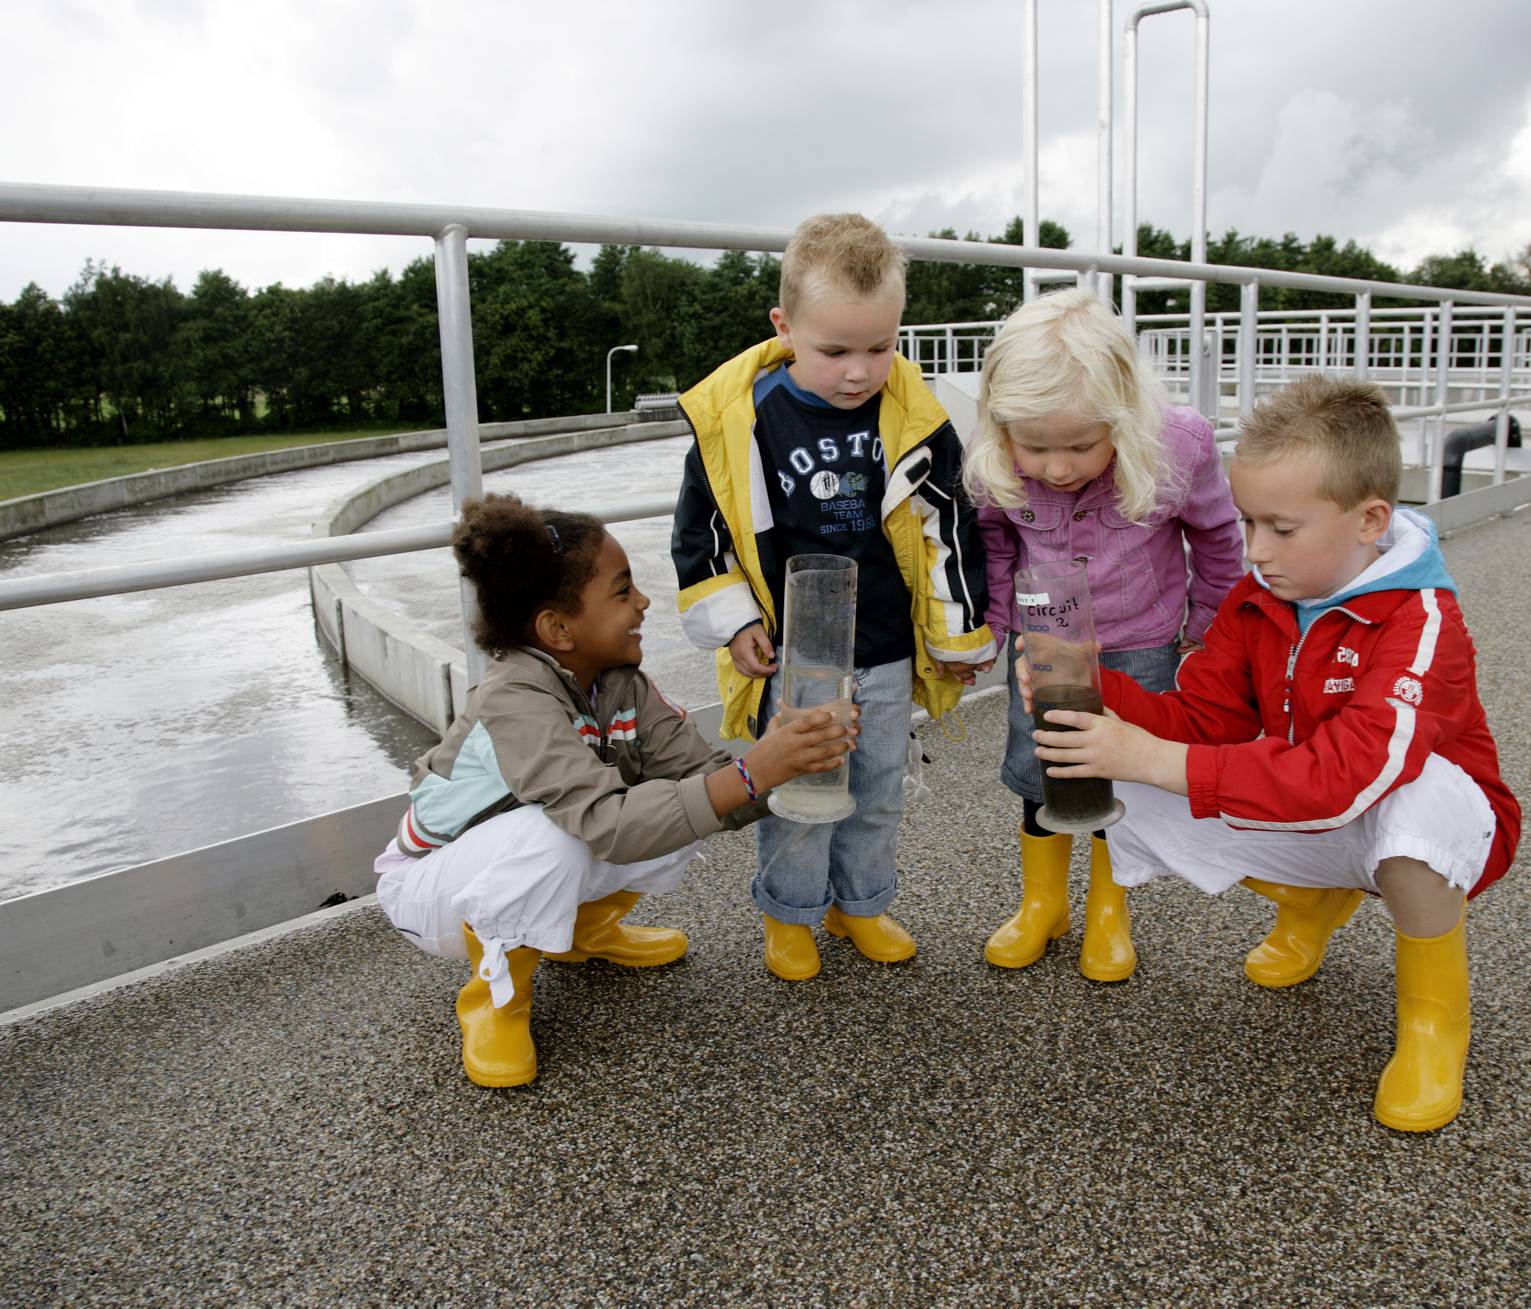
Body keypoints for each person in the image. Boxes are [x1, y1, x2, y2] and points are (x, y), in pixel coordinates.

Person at [1020, 374, 1520, 1131]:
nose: (1255, 550)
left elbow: (1353, 773)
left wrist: (1153, 757)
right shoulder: (1258, 599)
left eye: (1281, 529)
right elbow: (1199, 719)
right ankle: (1314, 901)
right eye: (1248, 522)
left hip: (1434, 829)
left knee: (1418, 803)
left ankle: (1433, 1021)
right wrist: (1092, 689)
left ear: (1369, 520)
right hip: (1323, 812)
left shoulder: (1422, 619)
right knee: (1124, 773)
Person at [372, 493, 855, 1087]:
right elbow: (604, 824)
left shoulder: (622, 685)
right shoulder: (513, 700)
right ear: (558, 628)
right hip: (431, 888)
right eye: (623, 591)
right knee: (563, 833)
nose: (644, 602)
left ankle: (582, 935)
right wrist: (752, 772)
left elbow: (709, 784)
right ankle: (494, 1001)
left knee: (676, 803)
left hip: (512, 860)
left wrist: (785, 758)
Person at [672, 212, 997, 981]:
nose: (858, 370)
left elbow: (951, 527)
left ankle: (862, 901)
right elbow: (702, 533)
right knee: (796, 790)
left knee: (879, 784)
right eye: (835, 350)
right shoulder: (741, 422)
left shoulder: (917, 419)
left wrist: (956, 638)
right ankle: (789, 913)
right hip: (792, 652)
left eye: (880, 347)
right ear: (785, 327)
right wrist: (735, 619)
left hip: (882, 644)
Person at [962, 288, 1242, 982]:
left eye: (1082, 446)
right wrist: (993, 628)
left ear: (1123, 415)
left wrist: (1207, 630)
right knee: (1042, 769)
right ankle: (1043, 902)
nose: (1057, 468)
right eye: (1035, 448)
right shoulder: (1001, 462)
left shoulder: (1179, 445)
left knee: (1123, 777)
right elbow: (995, 549)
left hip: (1139, 640)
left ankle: (1109, 912)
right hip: (1047, 644)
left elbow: (1217, 539)